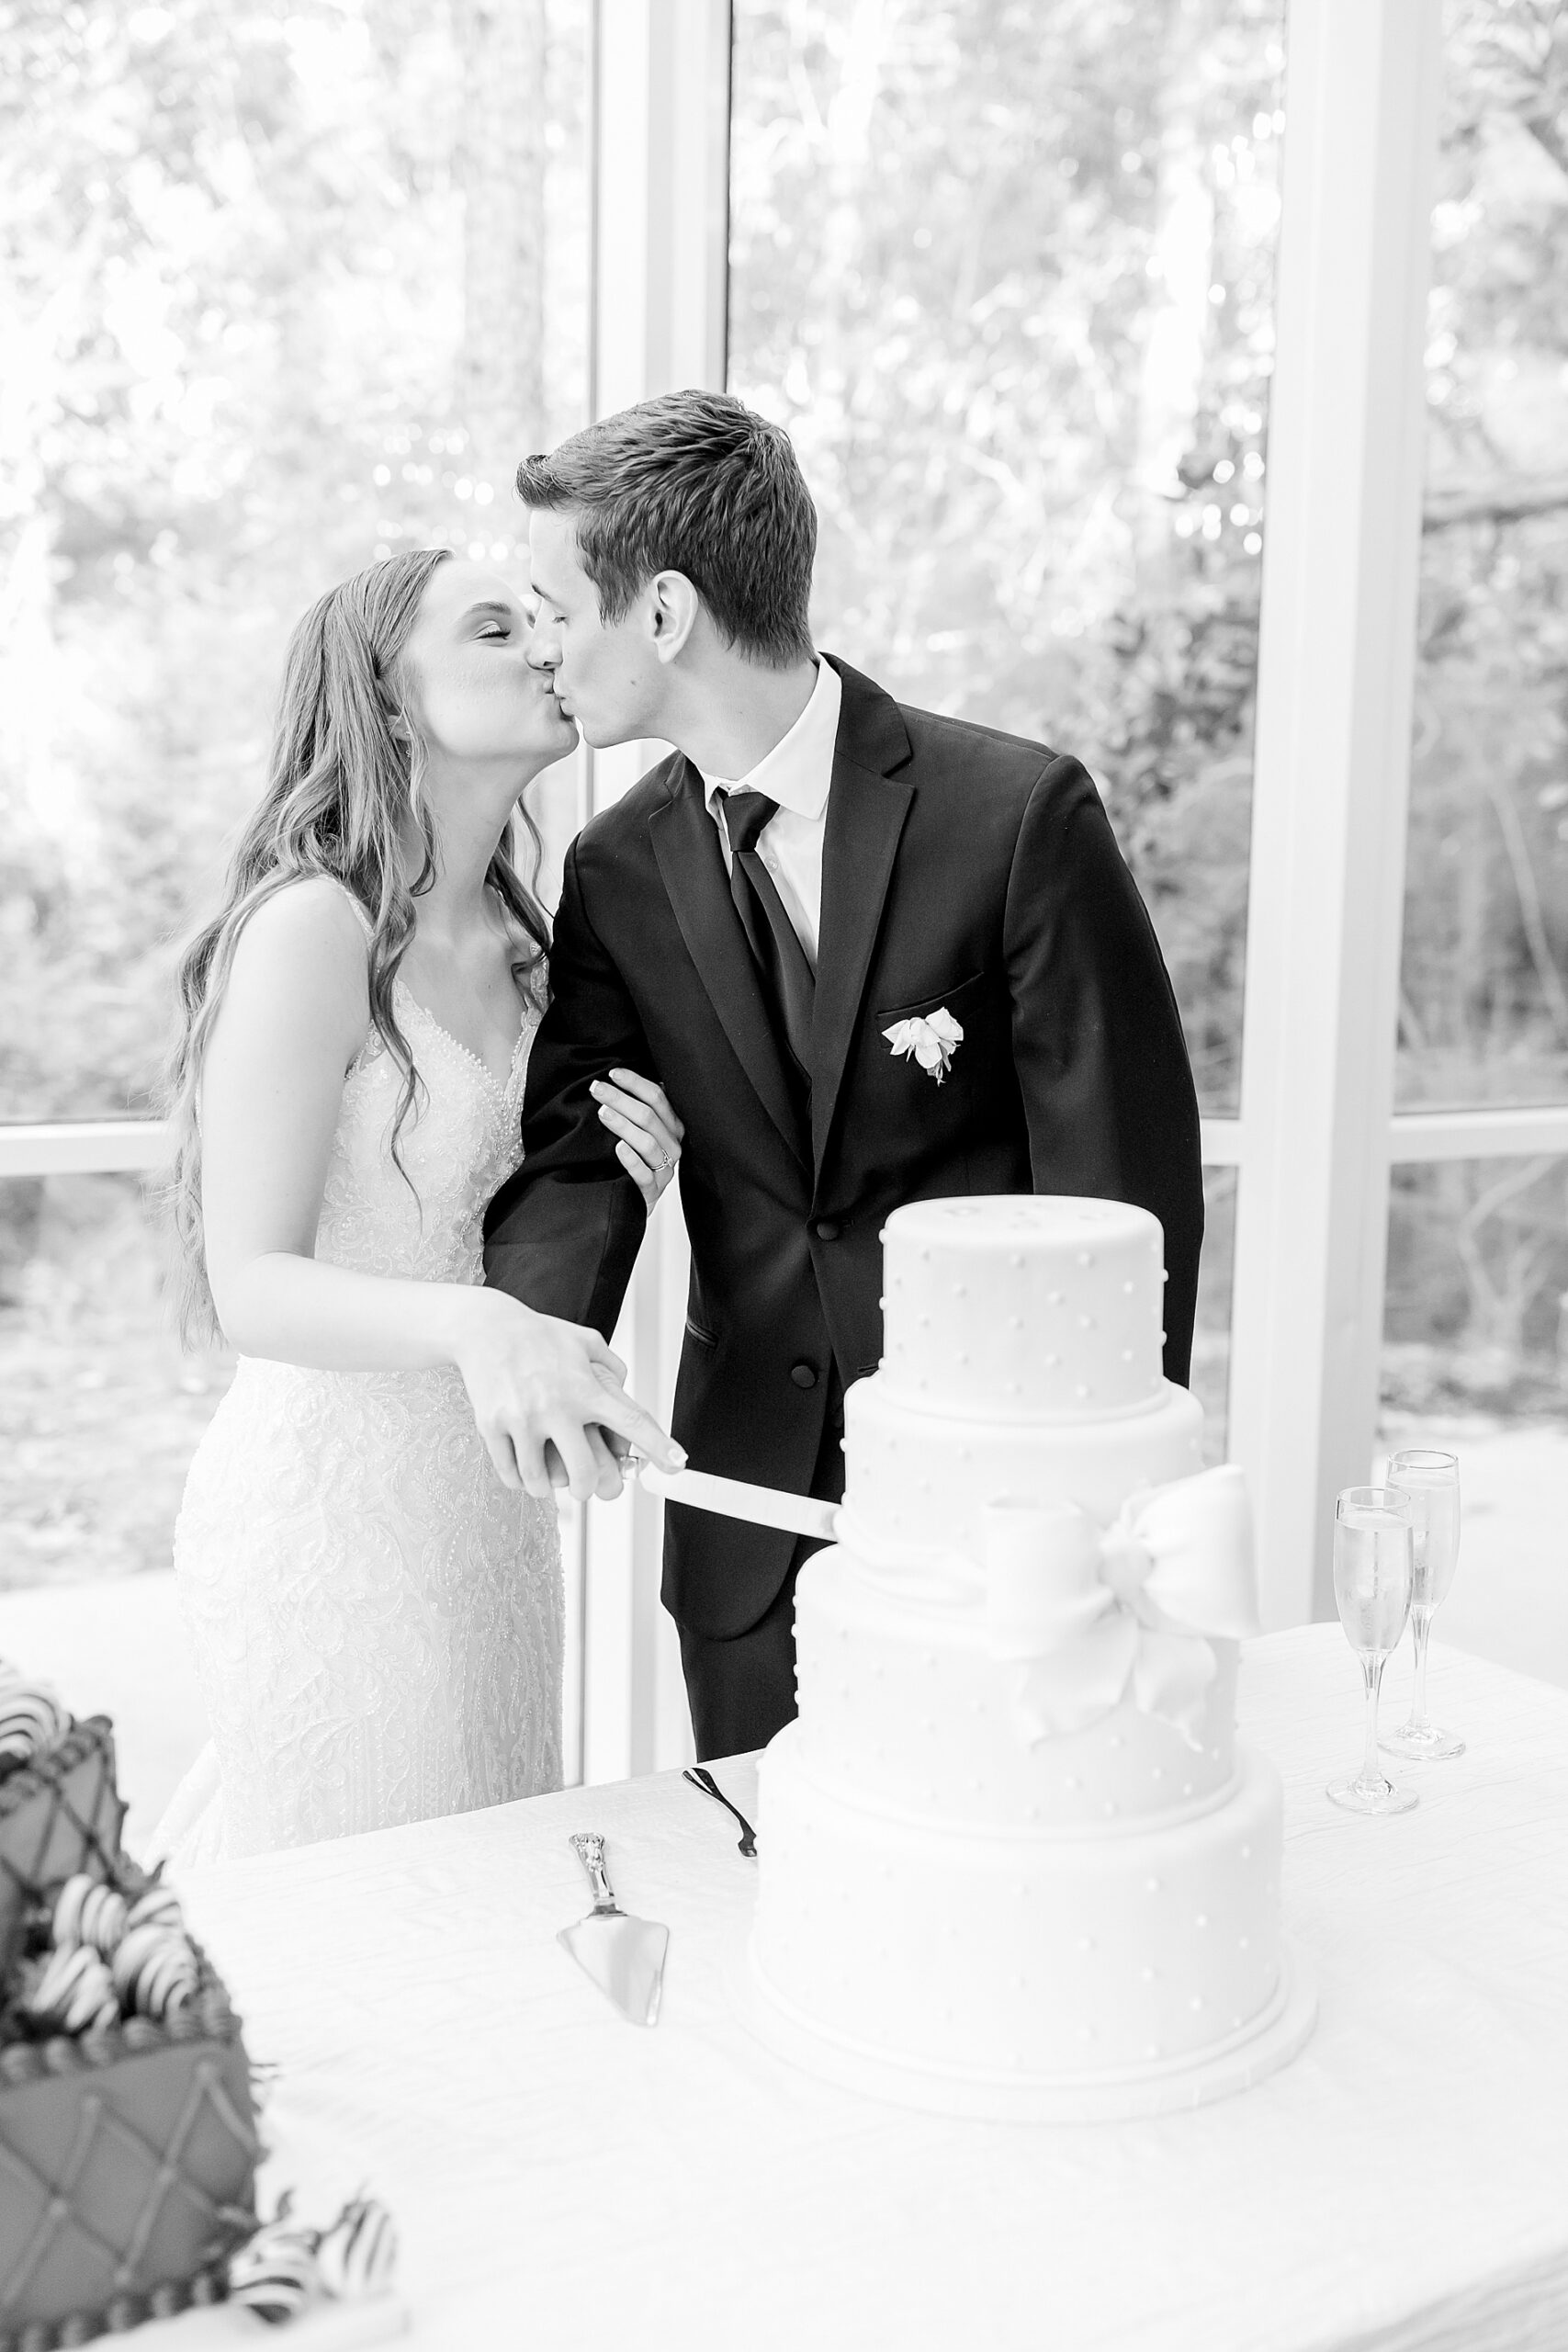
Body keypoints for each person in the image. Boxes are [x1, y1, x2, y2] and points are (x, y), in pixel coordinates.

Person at [484, 390, 1205, 1764]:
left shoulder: (1017, 819)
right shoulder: (617, 869)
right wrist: (544, 1343)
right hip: (749, 1532)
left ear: (663, 614)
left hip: (1004, 1532)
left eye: (559, 609)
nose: (550, 654)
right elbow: (585, 1142)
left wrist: (1098, 1508)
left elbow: (1127, 1204)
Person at [151, 548, 684, 1862]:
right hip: (327, 1530)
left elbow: (515, 1229)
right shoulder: (309, 928)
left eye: (543, 622)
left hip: (485, 1517)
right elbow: (251, 1288)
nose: (546, 649)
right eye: (496, 629)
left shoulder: (535, 945)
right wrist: (476, 1330)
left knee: (494, 1904)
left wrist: (635, 1169)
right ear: (388, 700)